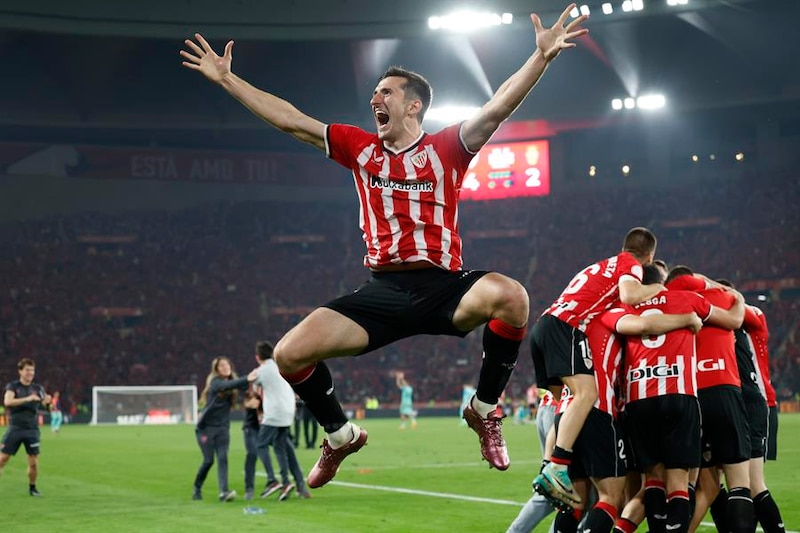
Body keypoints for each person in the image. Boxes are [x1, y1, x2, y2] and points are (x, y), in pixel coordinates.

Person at [181, 3, 589, 488]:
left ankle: (484, 409)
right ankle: (339, 435)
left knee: (513, 297)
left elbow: (499, 104)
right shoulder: (361, 148)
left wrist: (540, 58)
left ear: (413, 105)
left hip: (444, 287)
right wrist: (229, 80)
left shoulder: (448, 148)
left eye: (387, 91)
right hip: (384, 292)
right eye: (375, 91)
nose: (376, 96)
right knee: (290, 354)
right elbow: (292, 120)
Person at [530, 227, 666, 510]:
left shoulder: (601, 266)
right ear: (649, 256)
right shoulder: (630, 264)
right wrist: (658, 288)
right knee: (587, 393)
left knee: (567, 402)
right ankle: (556, 467)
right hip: (565, 328)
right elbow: (630, 296)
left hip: (544, 325)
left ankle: (551, 463)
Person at [192, 356, 258, 502]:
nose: (225, 367)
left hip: (222, 428)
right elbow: (231, 385)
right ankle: (197, 487)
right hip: (205, 428)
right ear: (216, 370)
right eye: (221, 366)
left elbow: (243, 386)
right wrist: (247, 378)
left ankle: (224, 492)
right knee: (208, 461)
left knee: (223, 459)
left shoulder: (232, 383)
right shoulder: (216, 383)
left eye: (227, 365)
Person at [253, 341, 311, 500]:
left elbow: (251, 383)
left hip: (274, 413)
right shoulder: (281, 366)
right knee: (282, 447)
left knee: (261, 444)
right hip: (288, 411)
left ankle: (272, 480)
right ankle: (292, 484)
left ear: (258, 357)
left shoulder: (262, 370)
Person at [0, 358, 52, 497]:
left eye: (32, 370)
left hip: (32, 430)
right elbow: (7, 401)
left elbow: (47, 407)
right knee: (2, 459)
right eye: (27, 370)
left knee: (33, 462)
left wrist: (48, 403)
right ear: (20, 371)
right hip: (15, 428)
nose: (30, 373)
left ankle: (32, 487)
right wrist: (27, 399)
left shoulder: (38, 388)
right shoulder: (13, 386)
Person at [242, 388, 279, 501]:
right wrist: (250, 404)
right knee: (252, 454)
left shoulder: (270, 394)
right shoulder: (253, 392)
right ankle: (249, 489)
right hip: (251, 428)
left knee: (279, 449)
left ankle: (273, 480)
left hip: (264, 428)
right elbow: (248, 402)